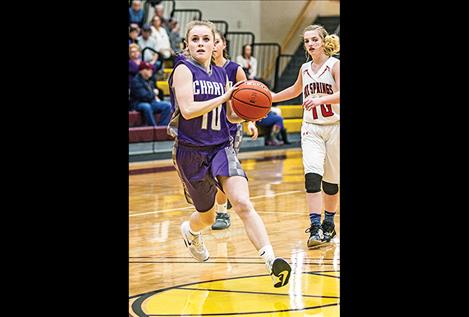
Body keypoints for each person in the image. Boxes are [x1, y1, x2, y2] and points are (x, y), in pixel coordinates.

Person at [167, 20, 291, 288]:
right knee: (207, 216)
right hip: (190, 152)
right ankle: (191, 232)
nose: (200, 43)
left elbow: (229, 114)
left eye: (205, 39)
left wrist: (250, 114)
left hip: (221, 147)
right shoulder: (183, 70)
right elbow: (188, 110)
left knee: (242, 203)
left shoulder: (223, 74)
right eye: (195, 39)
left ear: (215, 45)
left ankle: (272, 261)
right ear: (187, 44)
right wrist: (224, 97)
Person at [270, 24, 340, 248]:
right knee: (312, 176)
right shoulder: (304, 68)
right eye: (307, 41)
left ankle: (329, 223)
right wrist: (271, 97)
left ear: (323, 41)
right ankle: (315, 227)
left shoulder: (334, 65)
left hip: (334, 126)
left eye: (314, 40)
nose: (310, 44)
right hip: (311, 128)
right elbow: (294, 90)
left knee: (331, 182)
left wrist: (320, 99)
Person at [211, 29, 258, 230]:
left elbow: (250, 99)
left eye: (216, 42)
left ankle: (222, 212)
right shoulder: (200, 69)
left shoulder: (235, 70)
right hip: (206, 128)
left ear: (224, 45)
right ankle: (222, 200)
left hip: (230, 126)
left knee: (224, 171)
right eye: (209, 42)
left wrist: (251, 121)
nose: (212, 46)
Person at [130, 61, 171, 126]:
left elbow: (150, 95)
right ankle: (153, 127)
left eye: (151, 69)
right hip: (138, 103)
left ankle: (162, 127)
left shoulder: (150, 80)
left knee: (167, 105)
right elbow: (144, 96)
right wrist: (154, 93)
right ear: (141, 71)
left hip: (150, 102)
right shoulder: (136, 81)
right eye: (148, 69)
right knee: (146, 106)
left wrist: (155, 96)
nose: (150, 71)